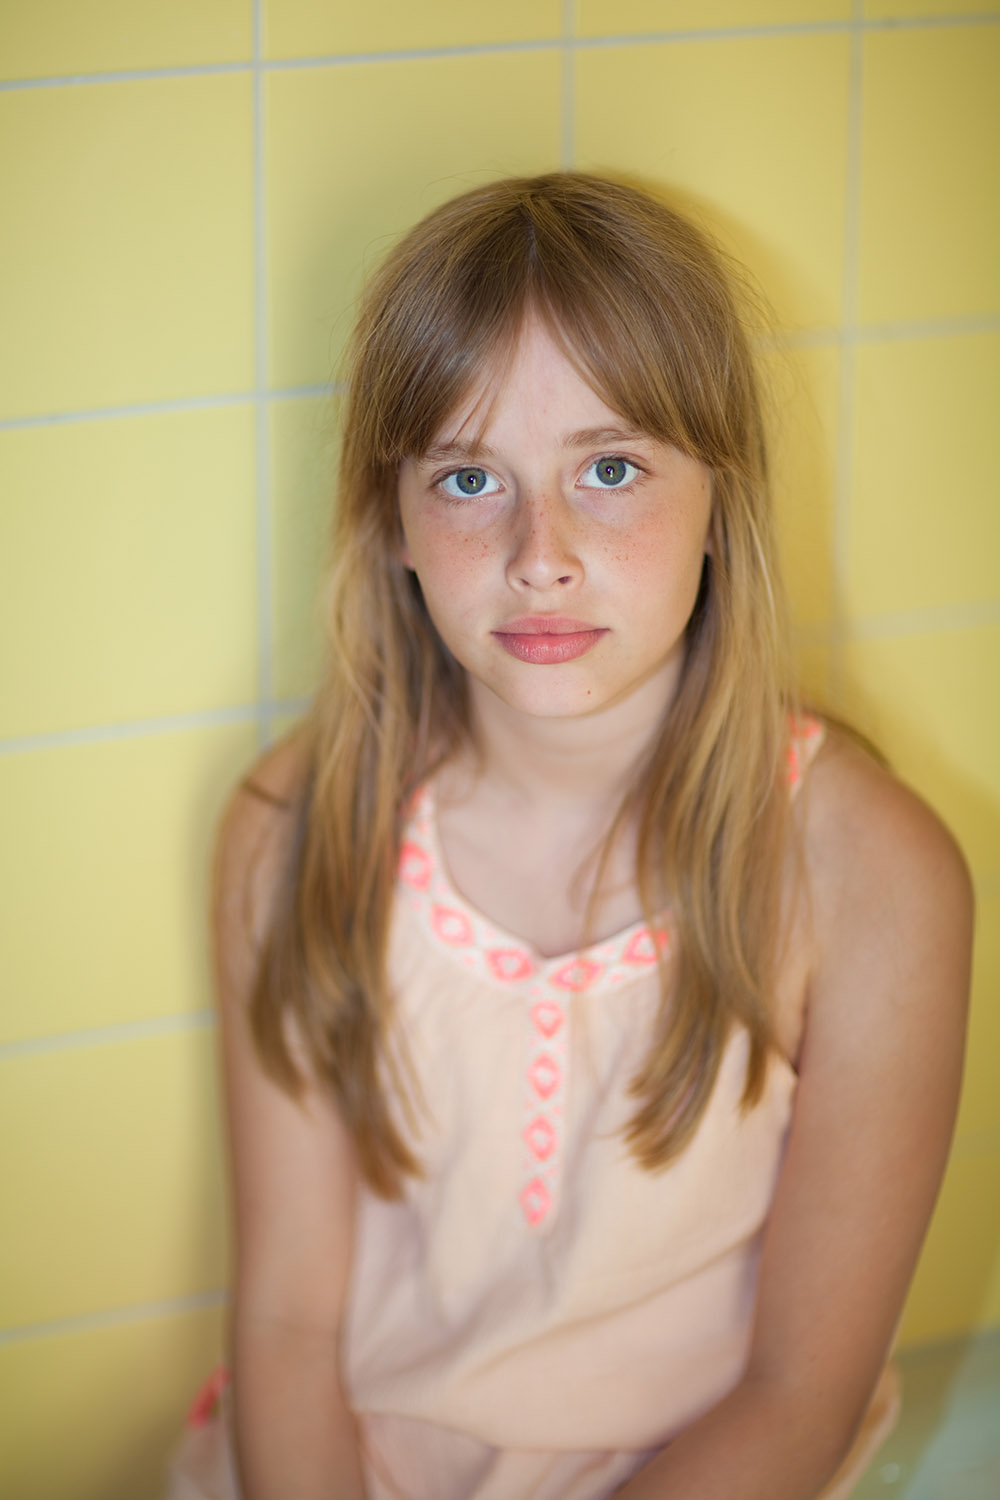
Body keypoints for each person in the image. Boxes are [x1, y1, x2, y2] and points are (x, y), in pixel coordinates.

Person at [168, 173, 973, 1500]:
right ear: (391, 520)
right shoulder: (294, 833)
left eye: (610, 470)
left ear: (720, 500)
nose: (539, 554)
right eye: (469, 477)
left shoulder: (874, 875)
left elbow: (800, 1397)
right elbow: (287, 1326)